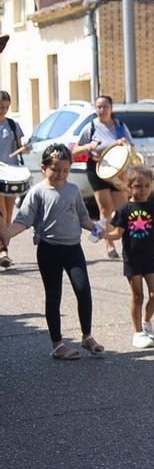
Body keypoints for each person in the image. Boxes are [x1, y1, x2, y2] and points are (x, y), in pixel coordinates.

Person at [0, 144, 104, 360]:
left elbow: (83, 217)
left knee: (83, 290)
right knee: (53, 295)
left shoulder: (73, 190)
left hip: (73, 249)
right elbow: (24, 220)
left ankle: (87, 336)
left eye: (65, 170)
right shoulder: (37, 192)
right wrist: (8, 233)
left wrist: (96, 227)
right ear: (43, 168)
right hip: (49, 250)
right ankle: (57, 344)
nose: (60, 174)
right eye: (55, 169)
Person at [102, 166, 154, 349]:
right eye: (139, 186)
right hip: (132, 259)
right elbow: (118, 233)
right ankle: (137, 332)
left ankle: (146, 322)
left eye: (147, 186)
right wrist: (106, 236)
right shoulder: (124, 209)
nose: (143, 190)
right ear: (129, 187)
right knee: (138, 296)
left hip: (150, 258)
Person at [76, 95, 133, 260]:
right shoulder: (91, 127)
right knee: (105, 208)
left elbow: (131, 146)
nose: (102, 110)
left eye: (105, 107)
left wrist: (124, 144)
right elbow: (75, 150)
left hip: (117, 170)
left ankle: (120, 238)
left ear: (111, 108)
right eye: (99, 107)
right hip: (97, 169)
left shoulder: (120, 126)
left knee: (122, 208)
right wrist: (88, 146)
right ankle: (109, 244)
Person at [0, 90, 30, 269]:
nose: (2, 110)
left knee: (8, 216)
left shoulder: (12, 125)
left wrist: (25, 149)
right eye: (0, 106)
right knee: (1, 213)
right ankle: (3, 252)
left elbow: (20, 147)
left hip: (10, 174)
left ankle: (3, 248)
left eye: (5, 107)